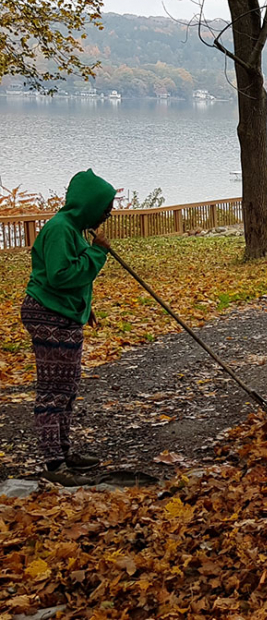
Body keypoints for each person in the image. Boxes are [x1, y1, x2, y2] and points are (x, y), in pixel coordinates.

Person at [21, 169, 117, 477]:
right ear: (87, 204)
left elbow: (73, 279)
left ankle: (63, 452)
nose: (108, 213)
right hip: (49, 315)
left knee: (68, 388)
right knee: (54, 390)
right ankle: (54, 463)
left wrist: (83, 306)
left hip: (63, 312)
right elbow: (60, 276)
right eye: (104, 207)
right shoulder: (61, 229)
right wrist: (98, 254)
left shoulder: (74, 229)